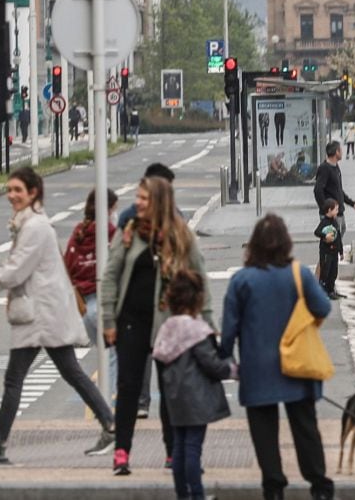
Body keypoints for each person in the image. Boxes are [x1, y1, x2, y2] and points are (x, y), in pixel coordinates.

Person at [0, 167, 115, 456]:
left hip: (40, 315)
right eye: (9, 190)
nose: (12, 196)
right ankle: (109, 424)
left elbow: (16, 271)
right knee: (70, 372)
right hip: (44, 312)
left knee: (14, 379)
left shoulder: (34, 227)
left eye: (18, 190)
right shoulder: (29, 224)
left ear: (34, 193)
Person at [101, 175, 213, 475]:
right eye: (137, 198)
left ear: (160, 202)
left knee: (170, 388)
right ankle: (121, 452)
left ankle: (172, 451)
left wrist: (209, 325)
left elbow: (200, 280)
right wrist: (108, 320)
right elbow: (110, 277)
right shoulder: (129, 234)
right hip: (130, 324)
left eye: (144, 199)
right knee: (128, 387)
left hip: (169, 326)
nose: (137, 203)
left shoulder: (181, 237)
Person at [221, 215, 335, 500]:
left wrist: (224, 360)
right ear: (286, 243)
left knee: (264, 433)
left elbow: (227, 333)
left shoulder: (241, 280)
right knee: (305, 428)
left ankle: (273, 487)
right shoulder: (299, 274)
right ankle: (319, 485)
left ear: (254, 246)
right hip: (297, 364)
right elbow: (322, 307)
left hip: (257, 369)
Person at [156, 269, 236, 500]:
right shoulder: (196, 330)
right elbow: (211, 363)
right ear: (197, 298)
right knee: (193, 449)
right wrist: (233, 370)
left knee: (179, 447)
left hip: (174, 398)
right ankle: (197, 495)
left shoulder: (167, 327)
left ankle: (183, 494)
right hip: (196, 399)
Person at [116, 162, 177, 418]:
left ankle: (152, 407)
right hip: (135, 308)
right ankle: (140, 404)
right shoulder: (129, 221)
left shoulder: (175, 221)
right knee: (139, 361)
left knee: (162, 365)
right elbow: (114, 267)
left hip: (165, 307)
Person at [63, 187, 119, 385]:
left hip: (83, 307)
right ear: (108, 210)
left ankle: (104, 392)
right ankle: (108, 397)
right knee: (114, 355)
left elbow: (67, 265)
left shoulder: (79, 231)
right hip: (102, 303)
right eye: (113, 209)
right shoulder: (109, 233)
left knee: (105, 353)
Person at [313, 142, 355, 235]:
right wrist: (327, 210)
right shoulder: (324, 168)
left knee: (340, 234)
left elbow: (338, 190)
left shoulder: (335, 167)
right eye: (341, 150)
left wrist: (352, 204)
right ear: (337, 152)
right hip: (331, 213)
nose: (342, 153)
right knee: (332, 240)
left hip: (338, 211)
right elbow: (318, 190)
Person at [314, 198, 343, 300]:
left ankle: (331, 290)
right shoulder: (324, 222)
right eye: (335, 209)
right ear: (329, 210)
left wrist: (341, 251)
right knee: (325, 271)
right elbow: (316, 232)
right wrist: (325, 236)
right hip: (326, 252)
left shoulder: (334, 222)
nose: (337, 211)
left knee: (333, 272)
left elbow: (338, 236)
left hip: (334, 252)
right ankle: (323, 290)